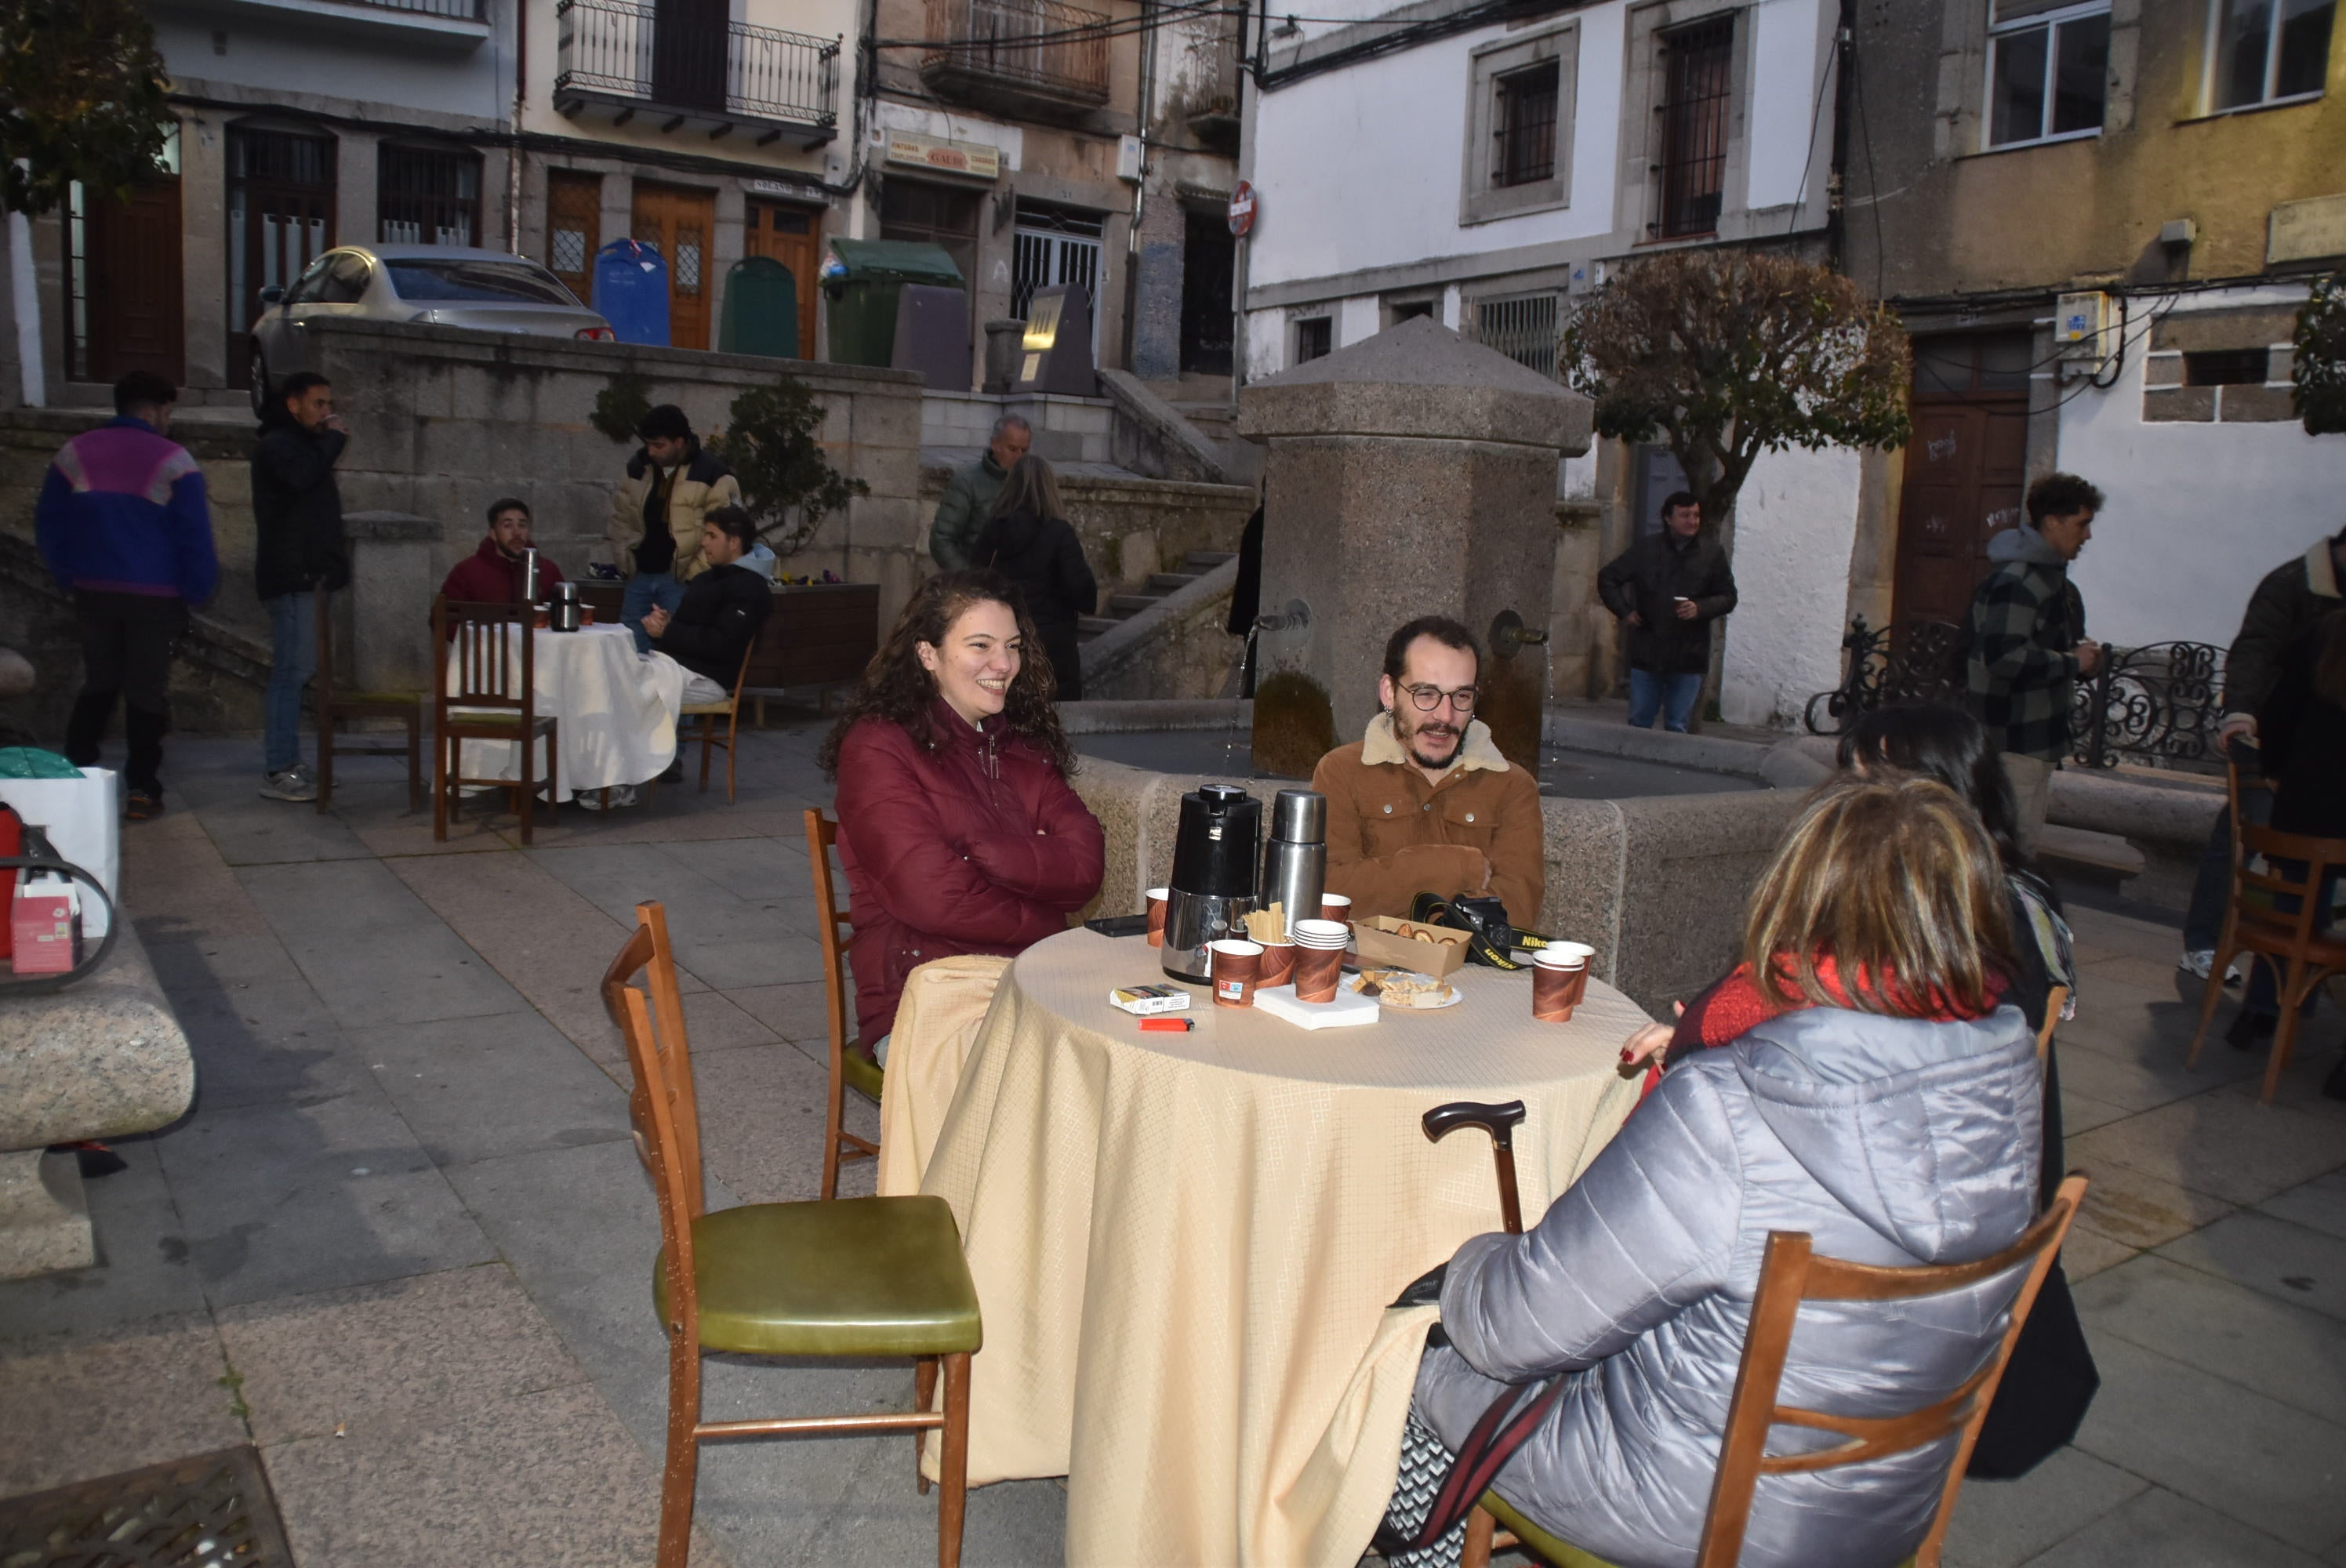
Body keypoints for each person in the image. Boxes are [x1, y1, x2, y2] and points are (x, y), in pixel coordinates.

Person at [1379, 777, 2040, 1568]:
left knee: (1405, 1355)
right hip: (1888, 1503)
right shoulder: (2001, 1081)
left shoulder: (1735, 1104)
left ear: (1797, 902)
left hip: (1692, 1504)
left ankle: (1412, 1548)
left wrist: (1453, 1270)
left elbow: (1516, 1328)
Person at [820, 569, 1105, 1062]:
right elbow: (933, 898)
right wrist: (1046, 909)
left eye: (1013, 646)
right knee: (1061, 1081)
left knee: (1137, 1053)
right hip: (923, 994)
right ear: (928, 654)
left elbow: (1085, 868)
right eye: (980, 645)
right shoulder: (878, 747)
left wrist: (989, 855)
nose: (1003, 663)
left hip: (1030, 981)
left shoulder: (1021, 745)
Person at [34, 371, 220, 821]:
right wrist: (197, 589)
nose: (169, 421)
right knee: (145, 691)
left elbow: (49, 523)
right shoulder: (175, 461)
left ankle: (74, 769)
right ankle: (142, 788)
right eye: (169, 412)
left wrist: (68, 575)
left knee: (99, 681)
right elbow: (193, 536)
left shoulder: (74, 454)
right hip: (154, 596)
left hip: (94, 591)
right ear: (153, 410)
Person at [2179, 528, 2344, 980]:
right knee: (2246, 840)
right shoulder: (2293, 583)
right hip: (2269, 739)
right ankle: (2206, 943)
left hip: (2323, 755)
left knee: (2311, 862)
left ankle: (2294, 966)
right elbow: (2254, 650)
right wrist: (2241, 714)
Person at [1311, 617, 1545, 925]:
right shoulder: (1341, 772)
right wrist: (1457, 868)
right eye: (1426, 694)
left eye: (1461, 696)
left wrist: (1398, 903)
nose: (1445, 716)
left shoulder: (1513, 786)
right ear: (1389, 693)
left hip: (1474, 972)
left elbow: (1517, 912)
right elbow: (1330, 895)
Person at [2224, 610, 2346, 1094]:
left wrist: (2280, 771)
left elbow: (2276, 716)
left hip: (2301, 812)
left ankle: (2263, 1007)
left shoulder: (2325, 630)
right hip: (2319, 823)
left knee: (2297, 898)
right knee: (2310, 898)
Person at [1964, 473, 2104, 846]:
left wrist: (2084, 661)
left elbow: (2047, 650)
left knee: (2017, 854)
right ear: (2053, 522)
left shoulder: (2054, 581)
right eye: (2082, 524)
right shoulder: (2019, 581)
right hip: (2012, 741)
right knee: (2008, 857)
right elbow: (2004, 659)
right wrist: (2073, 662)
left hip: (2037, 741)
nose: (2087, 536)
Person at [251, 371, 350, 804]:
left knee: (300, 670)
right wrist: (332, 442)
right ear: (294, 404)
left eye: (329, 404)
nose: (327, 413)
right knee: (291, 672)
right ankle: (279, 768)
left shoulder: (304, 447)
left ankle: (290, 761)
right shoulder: (278, 446)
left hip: (309, 576)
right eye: (319, 404)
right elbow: (300, 481)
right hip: (290, 576)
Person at [1596, 492, 1737, 733]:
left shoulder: (1712, 554)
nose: (1692, 521)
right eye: (1685, 515)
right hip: (1648, 649)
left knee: (1677, 725)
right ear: (1668, 518)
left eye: (1696, 515)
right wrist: (1625, 612)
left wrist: (1700, 608)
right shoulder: (1647, 549)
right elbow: (1608, 578)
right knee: (1639, 723)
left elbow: (1728, 597)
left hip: (1689, 655)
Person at [606, 404, 740, 655]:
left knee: (677, 655)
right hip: (640, 575)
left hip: (682, 579)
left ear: (679, 442)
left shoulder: (713, 474)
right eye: (648, 444)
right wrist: (625, 560)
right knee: (629, 654)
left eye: (659, 445)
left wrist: (694, 576)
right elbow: (620, 517)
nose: (651, 451)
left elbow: (725, 531)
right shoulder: (637, 467)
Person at [971, 455, 1096, 700]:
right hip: (1051, 650)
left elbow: (975, 583)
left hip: (1002, 643)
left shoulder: (993, 532)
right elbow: (1083, 593)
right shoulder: (1059, 534)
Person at [642, 506, 772, 703]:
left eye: (712, 536)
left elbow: (723, 644)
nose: (704, 542)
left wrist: (668, 631)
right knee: (612, 671)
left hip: (708, 679)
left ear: (734, 542)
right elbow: (689, 626)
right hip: (675, 667)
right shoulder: (705, 579)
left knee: (624, 685)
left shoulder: (751, 588)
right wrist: (665, 623)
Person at [928, 414, 1031, 571]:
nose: (1019, 456)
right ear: (995, 445)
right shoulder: (967, 482)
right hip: (977, 579)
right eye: (1012, 449)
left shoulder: (1031, 483)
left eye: (1024, 450)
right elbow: (942, 539)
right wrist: (970, 579)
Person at [436, 498, 566, 620]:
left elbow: (564, 615)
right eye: (508, 526)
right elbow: (443, 620)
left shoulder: (548, 571)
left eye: (522, 525)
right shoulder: (467, 573)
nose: (517, 533)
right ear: (493, 534)